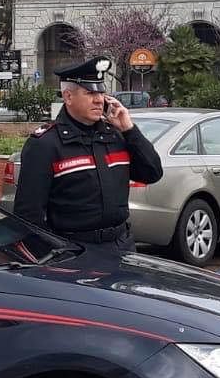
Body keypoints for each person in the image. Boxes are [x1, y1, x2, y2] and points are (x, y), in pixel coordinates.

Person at [12, 57, 163, 255]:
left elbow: (152, 173)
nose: (99, 99)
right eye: (90, 92)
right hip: (74, 252)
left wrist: (129, 129)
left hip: (121, 246)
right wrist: (53, 258)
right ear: (68, 97)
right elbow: (28, 217)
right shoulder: (46, 144)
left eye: (101, 92)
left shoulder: (115, 135)